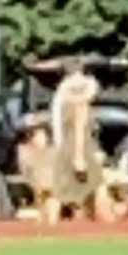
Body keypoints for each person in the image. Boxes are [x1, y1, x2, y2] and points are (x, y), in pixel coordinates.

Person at [49, 60, 104, 223]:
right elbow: (79, 128)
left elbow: (58, 128)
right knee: (96, 189)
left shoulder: (61, 99)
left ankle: (49, 230)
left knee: (60, 192)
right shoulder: (80, 103)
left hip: (65, 149)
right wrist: (79, 156)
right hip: (80, 150)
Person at [17, 114, 57, 225]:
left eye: (33, 134)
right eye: (25, 137)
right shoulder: (23, 155)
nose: (30, 139)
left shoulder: (54, 155)